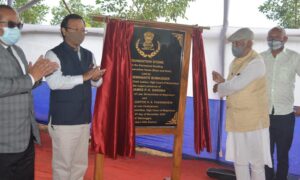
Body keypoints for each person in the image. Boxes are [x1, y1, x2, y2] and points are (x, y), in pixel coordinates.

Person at [0, 5, 58, 180]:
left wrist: (38, 78)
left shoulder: (17, 50)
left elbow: (23, 85)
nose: (17, 30)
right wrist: (31, 78)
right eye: (12, 25)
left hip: (25, 137)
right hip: (4, 141)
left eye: (20, 25)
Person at [45, 14, 105, 180]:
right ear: (64, 31)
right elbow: (54, 82)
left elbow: (96, 84)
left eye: (83, 30)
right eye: (75, 29)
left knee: (80, 164)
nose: (80, 33)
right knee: (63, 165)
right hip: (63, 120)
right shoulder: (53, 54)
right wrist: (84, 77)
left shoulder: (88, 54)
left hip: (83, 118)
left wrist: (96, 77)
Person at [212, 28, 272, 180]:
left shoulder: (256, 63)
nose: (234, 46)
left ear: (249, 43)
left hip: (253, 121)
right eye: (233, 43)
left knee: (256, 164)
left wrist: (219, 87)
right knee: (239, 162)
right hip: (237, 120)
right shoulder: (236, 62)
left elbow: (237, 85)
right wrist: (223, 82)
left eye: (238, 43)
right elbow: (234, 85)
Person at [261, 27, 300, 180]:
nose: (273, 40)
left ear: (285, 39)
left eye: (277, 37)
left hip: (285, 116)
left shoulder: (294, 57)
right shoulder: (260, 58)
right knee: (266, 156)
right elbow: (248, 80)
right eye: (270, 37)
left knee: (282, 156)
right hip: (263, 116)